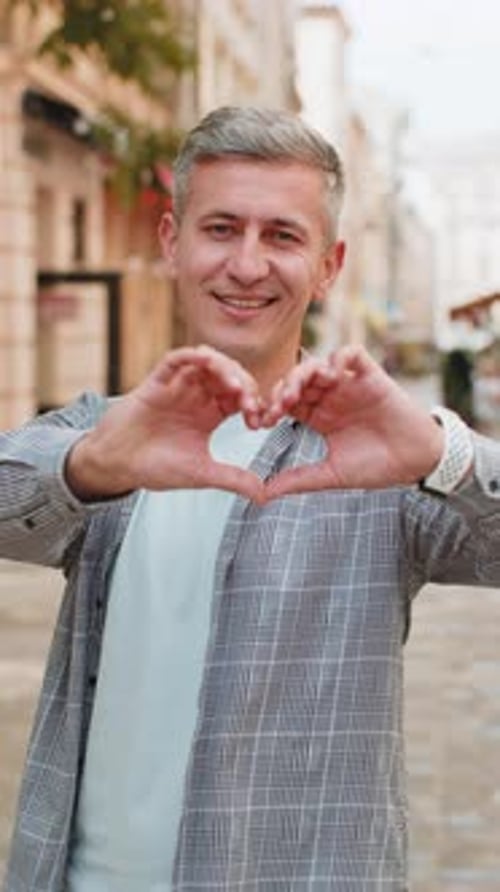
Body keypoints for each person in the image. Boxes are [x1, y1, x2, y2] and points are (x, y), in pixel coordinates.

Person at [1, 105, 500, 892]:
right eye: (222, 228)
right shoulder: (108, 434)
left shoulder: (380, 457)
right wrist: (90, 465)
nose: (246, 264)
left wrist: (446, 455)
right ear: (173, 242)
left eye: (283, 237)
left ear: (329, 264)